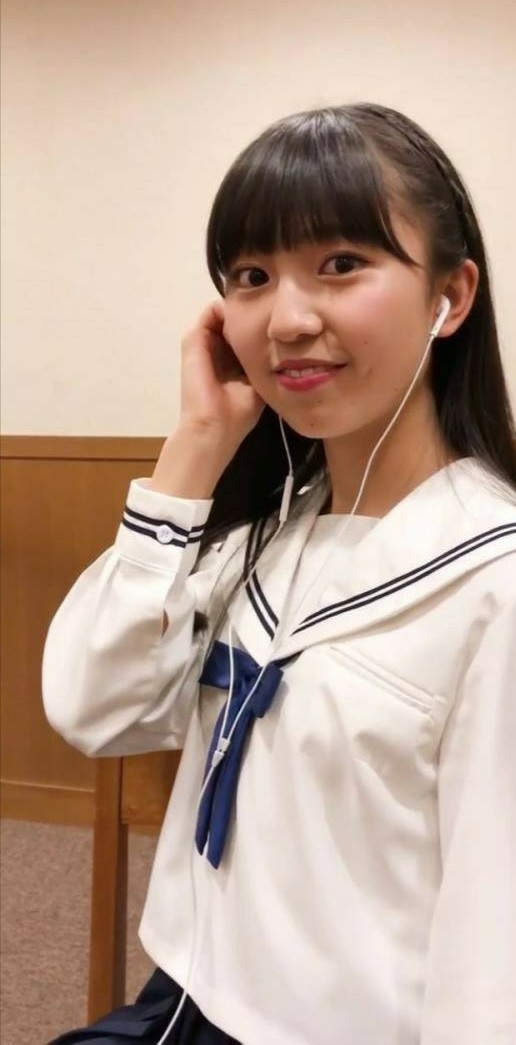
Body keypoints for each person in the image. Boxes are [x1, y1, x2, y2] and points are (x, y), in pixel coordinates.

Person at [42, 102, 516, 1045]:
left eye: (341, 263)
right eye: (252, 277)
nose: (289, 320)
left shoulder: (492, 584)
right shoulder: (268, 534)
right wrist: (198, 441)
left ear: (451, 296)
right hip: (179, 1004)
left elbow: (492, 966)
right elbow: (93, 706)